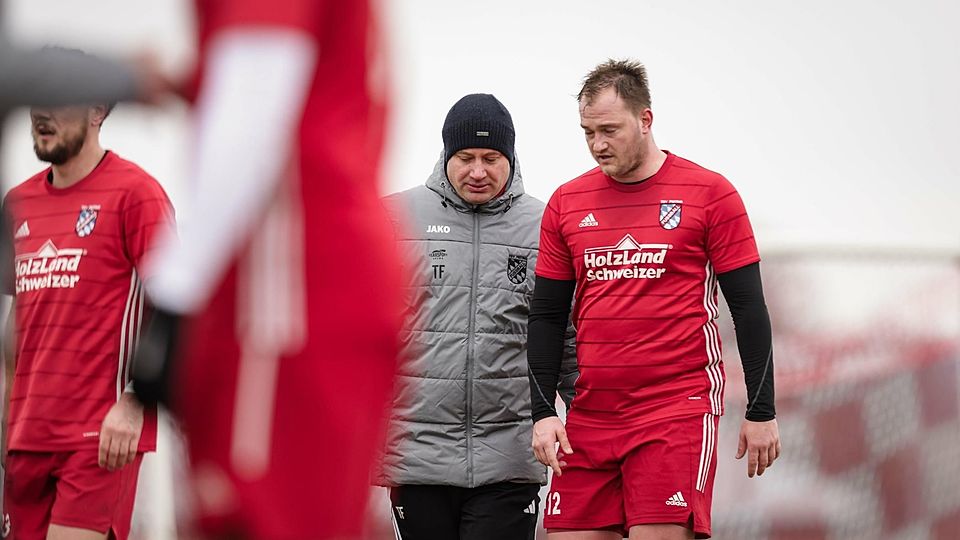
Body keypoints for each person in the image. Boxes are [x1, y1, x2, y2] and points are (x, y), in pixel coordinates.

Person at [130, 0, 405, 538]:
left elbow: (253, 104)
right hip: (310, 283)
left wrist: (173, 294)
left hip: (289, 297)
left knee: (260, 519)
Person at [527, 59, 780, 540]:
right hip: (590, 415)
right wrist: (543, 414)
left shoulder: (710, 194)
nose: (598, 144)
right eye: (587, 132)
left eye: (609, 129)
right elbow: (545, 317)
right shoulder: (567, 202)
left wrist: (762, 411)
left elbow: (748, 308)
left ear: (646, 120)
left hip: (674, 410)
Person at [376, 94, 577, 540]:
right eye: (465, 157)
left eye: (491, 158)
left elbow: (567, 338)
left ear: (511, 157)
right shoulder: (392, 219)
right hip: (417, 456)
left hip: (509, 457)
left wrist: (592, 419)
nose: (478, 171)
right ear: (446, 154)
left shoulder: (546, 225)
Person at [1, 79, 175, 538]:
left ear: (98, 110)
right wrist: (6, 418)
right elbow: (17, 320)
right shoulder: (16, 203)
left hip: (99, 439)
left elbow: (176, 308)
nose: (41, 113)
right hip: (25, 440)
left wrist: (136, 402)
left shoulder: (136, 194)